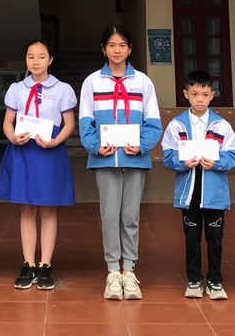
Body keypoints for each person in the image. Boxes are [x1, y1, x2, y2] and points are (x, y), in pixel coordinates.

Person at [79, 25, 162, 301]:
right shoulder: (92, 82)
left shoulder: (143, 82)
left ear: (130, 49)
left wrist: (142, 145)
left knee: (130, 217)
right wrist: (95, 146)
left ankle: (129, 270)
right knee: (109, 215)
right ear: (104, 49)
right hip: (105, 160)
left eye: (122, 45)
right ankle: (113, 271)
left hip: (135, 159)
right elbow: (86, 122)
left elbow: (153, 122)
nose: (117, 50)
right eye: (112, 45)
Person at [0, 39, 77, 291]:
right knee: (27, 208)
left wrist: (55, 142)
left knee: (48, 209)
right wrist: (12, 137)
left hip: (49, 150)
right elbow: (8, 121)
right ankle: (28, 263)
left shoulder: (62, 89)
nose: (35, 61)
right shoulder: (16, 89)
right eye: (31, 56)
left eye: (41, 56)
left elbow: (69, 123)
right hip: (23, 149)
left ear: (50, 60)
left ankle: (46, 264)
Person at [161, 70, 235, 300]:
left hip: (214, 194)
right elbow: (167, 155)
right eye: (194, 94)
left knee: (215, 239)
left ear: (212, 96)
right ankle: (194, 280)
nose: (200, 99)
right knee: (192, 239)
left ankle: (215, 281)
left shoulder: (222, 125)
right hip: (189, 194)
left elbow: (233, 155)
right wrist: (183, 163)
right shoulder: (177, 125)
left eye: (205, 95)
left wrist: (216, 163)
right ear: (186, 94)